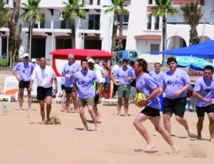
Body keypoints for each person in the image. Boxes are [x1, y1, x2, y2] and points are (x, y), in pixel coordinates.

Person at [133, 58, 180, 154]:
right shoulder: (137, 77)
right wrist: (138, 99)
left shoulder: (146, 76)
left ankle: (150, 143)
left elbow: (157, 90)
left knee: (136, 122)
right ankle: (175, 147)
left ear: (140, 67)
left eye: (135, 66)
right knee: (160, 129)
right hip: (150, 105)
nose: (133, 68)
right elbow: (140, 91)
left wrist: (147, 99)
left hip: (153, 104)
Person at [163, 57, 196, 138]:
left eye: (173, 63)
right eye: (169, 63)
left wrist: (180, 91)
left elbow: (188, 84)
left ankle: (188, 128)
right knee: (166, 117)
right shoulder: (166, 74)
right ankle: (168, 134)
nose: (171, 65)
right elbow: (163, 86)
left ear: (176, 64)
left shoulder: (182, 73)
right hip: (168, 99)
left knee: (178, 118)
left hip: (180, 98)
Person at [73, 59, 100, 131]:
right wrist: (77, 89)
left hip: (90, 94)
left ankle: (96, 126)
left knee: (90, 109)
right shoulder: (77, 74)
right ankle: (85, 127)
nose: (85, 65)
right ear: (81, 65)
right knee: (81, 112)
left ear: (88, 65)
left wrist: (97, 90)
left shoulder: (92, 73)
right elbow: (74, 83)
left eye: (86, 64)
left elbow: (97, 82)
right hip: (81, 95)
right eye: (83, 64)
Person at [29, 57, 58, 124]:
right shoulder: (36, 69)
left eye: (44, 61)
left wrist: (56, 87)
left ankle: (48, 116)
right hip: (40, 88)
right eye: (42, 61)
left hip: (48, 88)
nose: (43, 62)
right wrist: (30, 86)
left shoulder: (49, 68)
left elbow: (55, 78)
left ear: (45, 62)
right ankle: (43, 119)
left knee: (48, 103)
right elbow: (32, 78)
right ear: (39, 62)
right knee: (42, 106)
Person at [193, 65, 214, 142]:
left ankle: (212, 137)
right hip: (200, 103)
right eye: (205, 73)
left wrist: (210, 100)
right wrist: (204, 99)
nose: (207, 75)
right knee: (200, 120)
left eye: (209, 73)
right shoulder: (199, 80)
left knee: (212, 118)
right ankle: (199, 134)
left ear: (212, 73)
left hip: (211, 102)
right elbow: (194, 93)